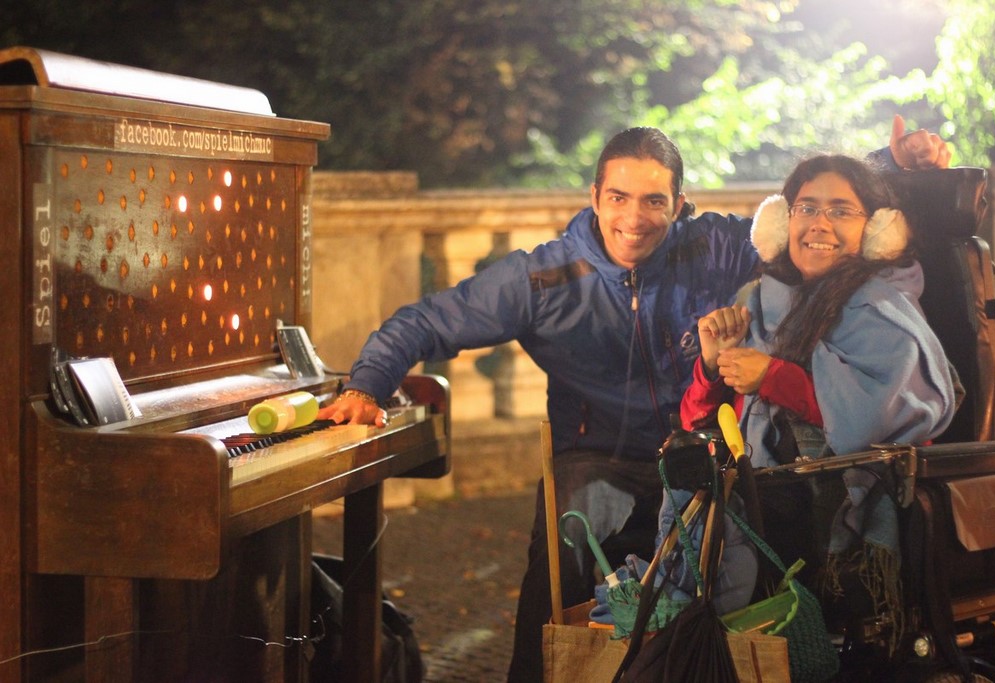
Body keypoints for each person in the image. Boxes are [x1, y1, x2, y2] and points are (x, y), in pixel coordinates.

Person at [319, 118, 949, 682]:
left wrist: (892, 163)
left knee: (743, 561)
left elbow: (815, 219)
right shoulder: (544, 278)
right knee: (568, 543)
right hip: (598, 459)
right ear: (594, 197)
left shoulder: (712, 246)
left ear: (680, 205)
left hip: (701, 453)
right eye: (618, 197)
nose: (634, 217)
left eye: (654, 201)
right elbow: (427, 321)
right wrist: (366, 384)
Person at [679, 153, 958, 634]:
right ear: (781, 222)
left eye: (841, 210)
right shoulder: (757, 303)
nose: (819, 224)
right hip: (765, 492)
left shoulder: (885, 308)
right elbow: (698, 426)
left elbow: (875, 416)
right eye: (806, 208)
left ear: (876, 229)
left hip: (834, 500)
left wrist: (774, 377)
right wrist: (711, 365)